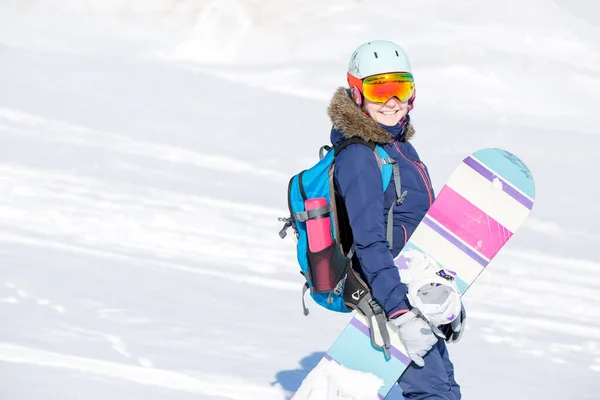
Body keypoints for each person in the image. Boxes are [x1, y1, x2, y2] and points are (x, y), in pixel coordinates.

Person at [327, 39, 464, 399]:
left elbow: (415, 228)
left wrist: (444, 297)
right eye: (378, 89)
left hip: (411, 292)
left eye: (399, 88)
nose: (390, 102)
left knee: (441, 388)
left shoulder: (398, 146)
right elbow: (370, 242)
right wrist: (401, 312)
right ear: (357, 94)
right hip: (388, 297)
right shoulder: (359, 156)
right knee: (435, 393)